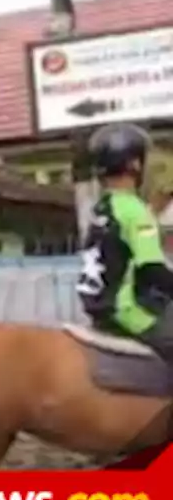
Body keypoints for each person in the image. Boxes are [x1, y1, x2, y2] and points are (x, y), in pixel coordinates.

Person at [76, 122, 173, 374]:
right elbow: (152, 270)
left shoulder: (103, 207)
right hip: (128, 310)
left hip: (99, 308)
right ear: (135, 165)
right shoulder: (134, 210)